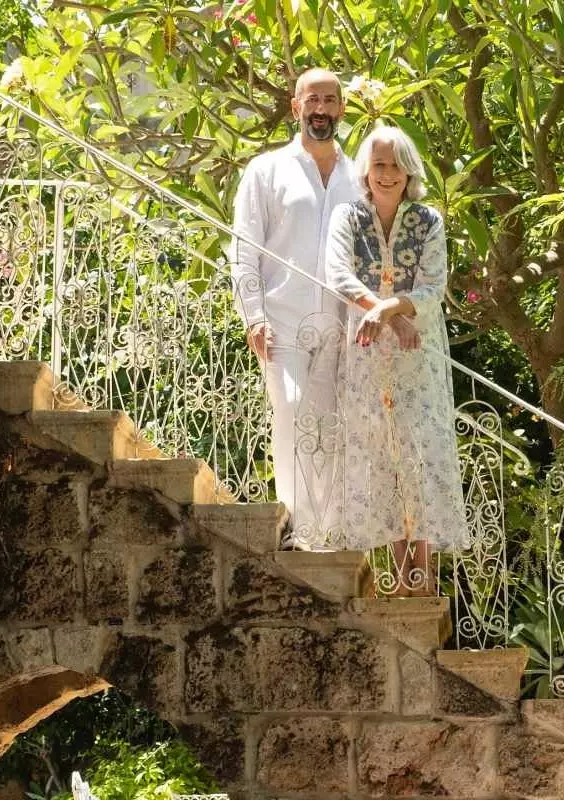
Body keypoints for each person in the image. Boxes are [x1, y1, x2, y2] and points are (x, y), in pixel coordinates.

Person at [324, 125, 470, 594]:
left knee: (417, 454)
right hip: (368, 354)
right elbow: (337, 273)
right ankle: (398, 577)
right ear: (366, 171)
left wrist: (391, 310)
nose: (387, 174)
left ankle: (421, 580)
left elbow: (432, 286)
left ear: (409, 171)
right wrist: (387, 314)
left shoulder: (428, 221)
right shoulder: (348, 217)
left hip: (416, 355)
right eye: (379, 165)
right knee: (378, 454)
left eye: (395, 165)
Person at [230, 68, 361, 549]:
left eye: (329, 100)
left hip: (345, 326)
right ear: (295, 106)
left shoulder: (359, 176)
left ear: (342, 108)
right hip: (281, 321)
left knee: (333, 427)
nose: (321, 109)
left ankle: (329, 533)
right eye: (312, 100)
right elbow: (244, 247)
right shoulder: (266, 170)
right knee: (289, 413)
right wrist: (253, 315)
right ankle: (299, 530)